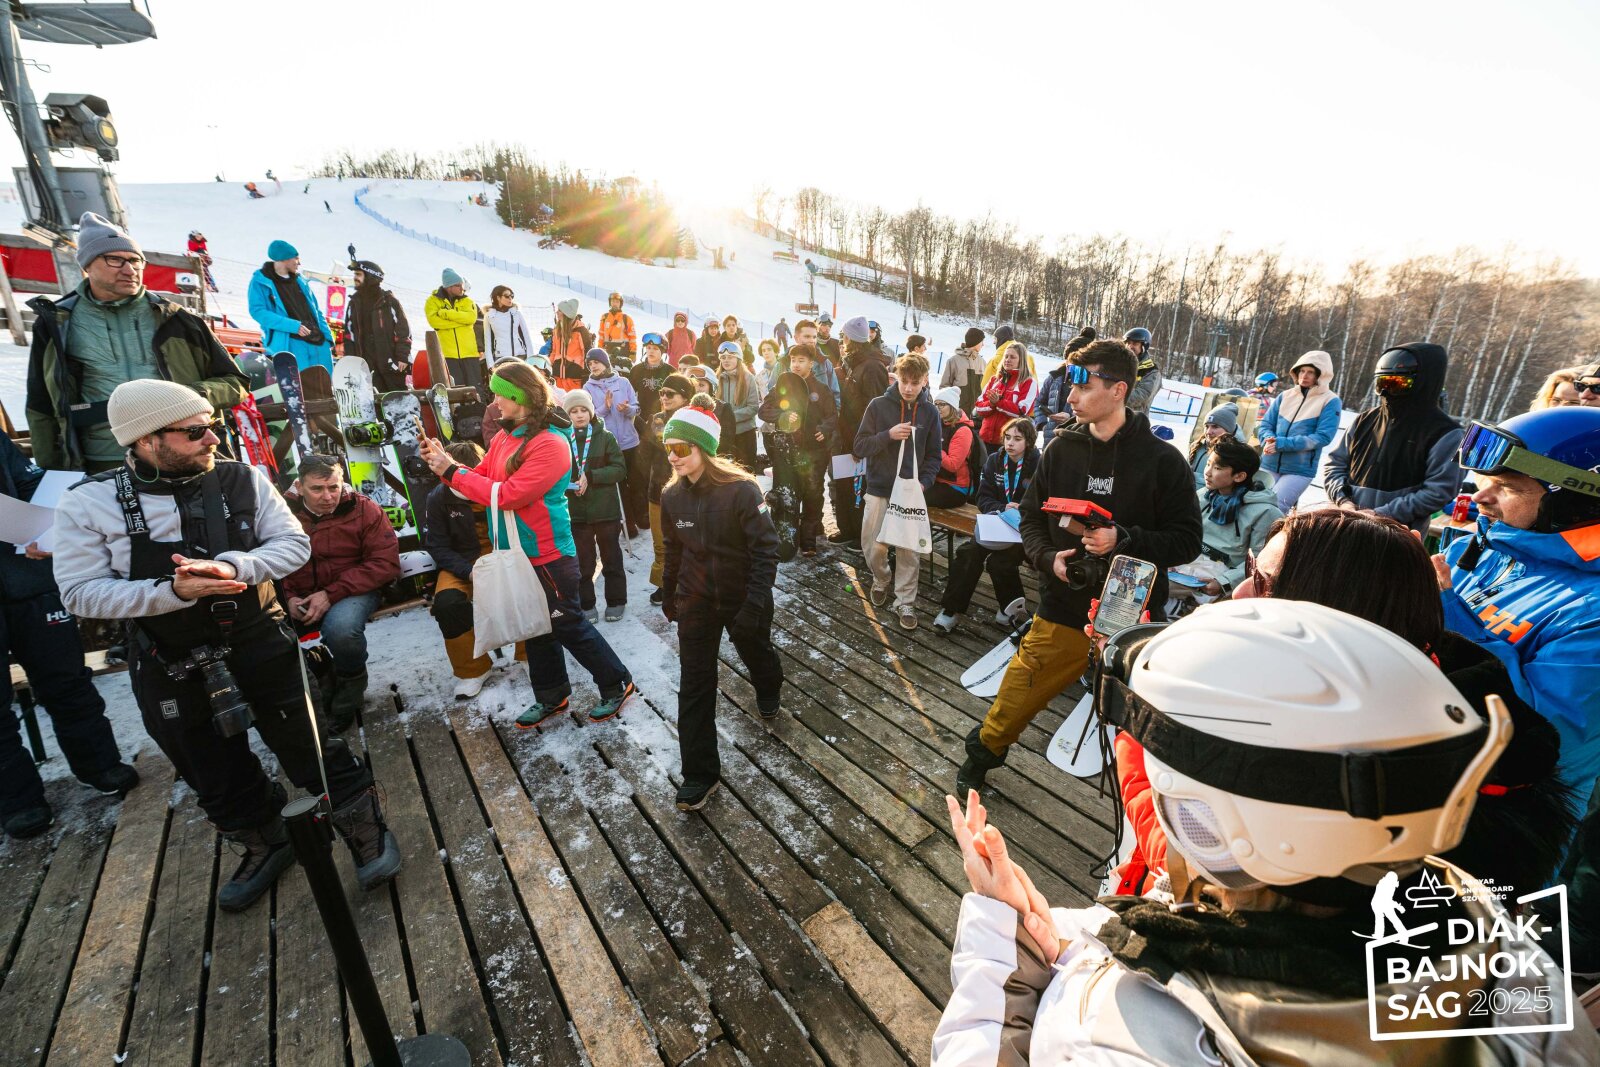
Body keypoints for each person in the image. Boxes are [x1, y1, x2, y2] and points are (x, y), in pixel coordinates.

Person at [935, 598, 1599, 1066]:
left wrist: (1005, 948)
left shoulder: (1117, 1034)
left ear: (1222, 832)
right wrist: (1065, 941)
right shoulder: (1507, 953)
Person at [52, 380, 400, 910]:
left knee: (310, 740)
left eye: (211, 425)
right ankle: (266, 841)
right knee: (207, 764)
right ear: (146, 441)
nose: (213, 437)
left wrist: (233, 566)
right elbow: (79, 592)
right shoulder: (88, 503)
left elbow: (292, 546)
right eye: (195, 431)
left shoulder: (243, 480)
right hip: (167, 655)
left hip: (258, 636)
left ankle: (363, 830)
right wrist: (169, 591)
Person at [955, 339, 1202, 793]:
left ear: (1119, 390)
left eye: (1083, 386)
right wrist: (1048, 558)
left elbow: (1187, 540)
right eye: (1070, 384)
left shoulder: (1164, 462)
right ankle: (977, 763)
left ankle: (1145, 817)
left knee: (1140, 725)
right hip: (1066, 601)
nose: (1069, 397)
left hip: (1133, 614)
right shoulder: (1062, 449)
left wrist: (1124, 539)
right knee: (1018, 691)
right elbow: (1030, 518)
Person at [420, 362, 637, 728]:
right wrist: (448, 464)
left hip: (548, 554)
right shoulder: (507, 436)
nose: (495, 401)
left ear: (520, 395)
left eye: (500, 393)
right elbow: (484, 476)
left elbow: (507, 496)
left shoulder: (551, 443)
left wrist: (451, 470)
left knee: (566, 623)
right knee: (536, 626)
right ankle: (552, 696)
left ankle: (617, 683)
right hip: (518, 553)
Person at [26, 213, 249, 473]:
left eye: (135, 261)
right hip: (100, 461)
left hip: (181, 455)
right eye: (115, 260)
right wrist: (51, 469)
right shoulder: (57, 323)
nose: (129, 270)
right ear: (87, 265)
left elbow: (236, 384)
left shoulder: (177, 319)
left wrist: (189, 397)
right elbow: (40, 403)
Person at [0, 429, 138, 838]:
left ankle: (99, 765)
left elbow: (30, 483)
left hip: (28, 578)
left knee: (66, 679)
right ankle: (18, 800)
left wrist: (46, 519)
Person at [659, 401, 783, 811]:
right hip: (696, 599)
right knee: (695, 684)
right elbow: (673, 550)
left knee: (756, 653)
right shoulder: (672, 497)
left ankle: (769, 685)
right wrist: (670, 592)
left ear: (703, 449)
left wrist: (753, 603)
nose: (674, 456)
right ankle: (699, 775)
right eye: (669, 449)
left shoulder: (741, 491)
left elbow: (767, 551)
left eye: (682, 448)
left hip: (742, 596)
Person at [281, 454, 401, 731]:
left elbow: (384, 563)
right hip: (296, 592)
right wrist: (286, 596)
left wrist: (331, 594)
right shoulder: (280, 512)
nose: (327, 496)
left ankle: (350, 687)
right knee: (268, 634)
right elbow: (268, 561)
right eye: (317, 489)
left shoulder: (363, 509)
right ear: (300, 486)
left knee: (342, 629)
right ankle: (315, 682)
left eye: (333, 487)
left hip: (353, 588)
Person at [1324, 342, 1464, 535]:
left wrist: (1382, 514)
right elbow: (1335, 464)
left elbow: (1439, 491)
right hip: (1347, 521)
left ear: (1423, 383)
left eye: (1397, 384)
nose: (1386, 392)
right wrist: (1343, 500)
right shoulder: (1366, 420)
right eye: (1382, 384)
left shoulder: (1446, 433)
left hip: (1396, 535)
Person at [853, 354, 942, 629]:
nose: (909, 388)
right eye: (904, 381)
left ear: (925, 381)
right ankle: (881, 578)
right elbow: (859, 447)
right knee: (874, 545)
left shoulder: (931, 412)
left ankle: (905, 600)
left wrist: (923, 483)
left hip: (911, 494)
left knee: (908, 550)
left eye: (915, 383)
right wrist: (887, 436)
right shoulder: (878, 406)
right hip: (880, 487)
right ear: (897, 377)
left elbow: (934, 457)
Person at [424, 440, 517, 700]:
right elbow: (437, 545)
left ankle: (529, 654)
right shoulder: (438, 498)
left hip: (502, 556)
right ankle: (472, 669)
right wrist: (468, 571)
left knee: (526, 589)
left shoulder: (498, 489)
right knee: (447, 603)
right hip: (462, 562)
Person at [933, 418, 1038, 635]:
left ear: (1028, 442)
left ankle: (1011, 606)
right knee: (967, 552)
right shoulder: (994, 460)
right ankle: (951, 609)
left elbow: (1045, 501)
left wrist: (1023, 509)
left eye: (1017, 439)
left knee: (1001, 562)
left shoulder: (1039, 463)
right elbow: (983, 496)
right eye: (1007, 438)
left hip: (1025, 529)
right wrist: (1001, 507)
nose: (1010, 443)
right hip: (996, 522)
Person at [760, 347, 837, 557]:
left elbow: (832, 416)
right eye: (793, 360)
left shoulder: (821, 389)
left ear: (811, 363)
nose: (796, 364)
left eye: (801, 360)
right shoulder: (782, 387)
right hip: (787, 453)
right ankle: (787, 539)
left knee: (813, 494)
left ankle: (808, 540)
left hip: (815, 452)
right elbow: (763, 411)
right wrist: (782, 414)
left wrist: (824, 429)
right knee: (788, 497)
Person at [560, 391, 628, 623]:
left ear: (590, 412)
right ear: (567, 415)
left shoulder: (605, 436)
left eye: (583, 410)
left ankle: (616, 601)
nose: (579, 415)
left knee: (611, 557)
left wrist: (592, 475)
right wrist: (569, 484)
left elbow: (620, 469)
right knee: (582, 561)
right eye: (573, 411)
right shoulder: (561, 440)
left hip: (605, 510)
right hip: (577, 512)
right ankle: (587, 604)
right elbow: (555, 474)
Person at [1192, 437, 1282, 596]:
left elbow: (1261, 560)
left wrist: (1225, 582)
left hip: (1219, 576)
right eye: (1208, 464)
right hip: (1188, 561)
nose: (1207, 472)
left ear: (1239, 476)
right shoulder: (1204, 495)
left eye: (1217, 468)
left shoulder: (1265, 512)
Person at [831, 316, 891, 551]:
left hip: (862, 437)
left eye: (844, 336)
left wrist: (865, 441)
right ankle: (847, 529)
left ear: (850, 338)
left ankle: (861, 534)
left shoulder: (873, 365)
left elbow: (876, 406)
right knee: (844, 484)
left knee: (861, 488)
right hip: (846, 434)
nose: (842, 340)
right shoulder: (850, 361)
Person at [1258, 349, 1342, 511]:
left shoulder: (1330, 400)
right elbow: (1266, 425)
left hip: (1299, 469)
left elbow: (1322, 437)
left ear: (1321, 375)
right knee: (1253, 504)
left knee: (1275, 508)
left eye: (1310, 372)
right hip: (1269, 462)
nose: (1304, 375)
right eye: (1302, 371)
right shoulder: (1285, 396)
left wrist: (1281, 443)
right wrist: (1268, 440)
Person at [638, 373, 693, 602]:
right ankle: (664, 584)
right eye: (662, 393)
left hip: (687, 491)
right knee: (660, 543)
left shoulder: (693, 420)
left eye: (670, 394)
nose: (664, 397)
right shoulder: (656, 419)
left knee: (688, 540)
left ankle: (689, 584)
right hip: (657, 491)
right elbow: (644, 455)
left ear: (685, 396)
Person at [247, 239, 334, 375]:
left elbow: (316, 311)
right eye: (296, 258)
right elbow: (257, 312)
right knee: (300, 389)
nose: (299, 263)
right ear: (284, 259)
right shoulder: (260, 282)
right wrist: (293, 326)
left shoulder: (301, 280)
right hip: (290, 344)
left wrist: (327, 339)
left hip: (318, 343)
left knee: (326, 388)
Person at [583, 349, 643, 537]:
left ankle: (642, 516)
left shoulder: (623, 382)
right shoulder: (588, 388)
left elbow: (636, 408)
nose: (593, 366)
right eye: (590, 364)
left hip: (629, 441)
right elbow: (590, 416)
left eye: (596, 362)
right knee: (619, 485)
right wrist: (605, 407)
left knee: (636, 481)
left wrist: (627, 409)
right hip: (608, 444)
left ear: (605, 362)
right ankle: (628, 523)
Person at [344, 259, 413, 393]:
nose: (355, 278)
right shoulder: (354, 303)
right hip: (365, 366)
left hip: (391, 364)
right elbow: (349, 335)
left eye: (358, 274)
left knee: (396, 400)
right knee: (371, 402)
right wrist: (351, 362)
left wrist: (402, 357)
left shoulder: (389, 302)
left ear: (371, 277)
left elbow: (403, 331)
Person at [424, 268, 483, 388]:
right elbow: (435, 323)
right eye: (459, 285)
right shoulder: (432, 301)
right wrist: (462, 322)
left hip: (470, 353)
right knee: (455, 388)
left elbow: (471, 319)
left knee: (475, 388)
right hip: (447, 354)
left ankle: (479, 407)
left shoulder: (467, 300)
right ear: (449, 286)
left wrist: (447, 314)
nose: (462, 288)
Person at [1033, 327, 1096, 434]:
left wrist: (1070, 418)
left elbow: (1095, 413)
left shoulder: (1092, 382)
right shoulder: (1054, 377)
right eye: (1069, 359)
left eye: (1077, 361)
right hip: (1051, 436)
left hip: (1076, 436)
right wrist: (1043, 423)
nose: (1071, 364)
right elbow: (1038, 402)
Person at [973, 342, 1037, 446]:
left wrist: (999, 402)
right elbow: (979, 407)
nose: (1007, 360)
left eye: (1012, 357)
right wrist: (992, 404)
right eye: (1006, 356)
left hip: (1009, 443)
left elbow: (1021, 412)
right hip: (984, 439)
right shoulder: (994, 380)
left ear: (1021, 360)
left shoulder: (1029, 382)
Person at [928, 386, 981, 508]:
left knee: (916, 497)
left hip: (956, 488)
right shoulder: (939, 424)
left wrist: (933, 448)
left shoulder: (963, 430)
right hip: (937, 480)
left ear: (952, 406)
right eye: (935, 404)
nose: (938, 408)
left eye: (942, 404)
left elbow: (953, 465)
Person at [714, 341, 761, 470]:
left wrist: (729, 417)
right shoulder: (716, 378)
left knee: (746, 472)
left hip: (744, 435)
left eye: (730, 357)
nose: (726, 360)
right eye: (723, 357)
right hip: (723, 435)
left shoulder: (748, 378)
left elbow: (753, 407)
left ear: (738, 358)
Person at [777, 318, 841, 406]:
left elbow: (835, 396)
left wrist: (831, 418)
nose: (812, 340)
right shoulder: (783, 362)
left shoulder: (825, 363)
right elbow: (773, 396)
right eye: (807, 336)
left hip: (819, 419)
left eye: (814, 337)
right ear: (796, 338)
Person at [1186, 403, 1243, 488]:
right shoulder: (1197, 446)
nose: (1208, 432)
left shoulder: (1238, 454)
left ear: (1229, 430)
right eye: (1206, 426)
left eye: (1215, 427)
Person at [940, 327, 987, 416]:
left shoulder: (983, 362)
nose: (983, 345)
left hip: (976, 415)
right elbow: (944, 388)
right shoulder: (953, 361)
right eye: (982, 342)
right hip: (957, 414)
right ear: (976, 342)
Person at [631, 332, 675, 426]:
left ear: (662, 351)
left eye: (655, 349)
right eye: (648, 348)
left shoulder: (670, 371)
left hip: (664, 420)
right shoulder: (636, 370)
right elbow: (629, 395)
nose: (651, 351)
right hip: (639, 419)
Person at [484, 285, 533, 368]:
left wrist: (530, 359)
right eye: (507, 296)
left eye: (512, 296)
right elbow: (487, 342)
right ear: (498, 298)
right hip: (501, 358)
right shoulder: (489, 316)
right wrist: (490, 365)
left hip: (520, 356)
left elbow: (527, 336)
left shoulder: (516, 313)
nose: (510, 298)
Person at [549, 299, 589, 392]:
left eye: (559, 310)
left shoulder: (581, 331)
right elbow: (553, 351)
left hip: (575, 377)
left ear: (566, 314)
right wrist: (549, 368)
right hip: (557, 376)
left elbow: (587, 353)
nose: (557, 312)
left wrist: (585, 375)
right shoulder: (556, 330)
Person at [1122, 326, 1163, 414]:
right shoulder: (1120, 364)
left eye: (1135, 344)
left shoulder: (1151, 370)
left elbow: (1141, 396)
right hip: (1114, 416)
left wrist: (1114, 395)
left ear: (1144, 346)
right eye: (1128, 343)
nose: (1130, 346)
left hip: (1135, 420)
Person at [596, 291, 637, 371]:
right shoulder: (604, 317)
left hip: (623, 351)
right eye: (613, 301)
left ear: (620, 304)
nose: (615, 303)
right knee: (607, 374)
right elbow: (601, 336)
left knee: (622, 375)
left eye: (617, 302)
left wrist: (633, 353)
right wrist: (599, 350)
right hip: (607, 350)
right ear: (610, 302)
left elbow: (632, 337)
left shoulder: (626, 318)